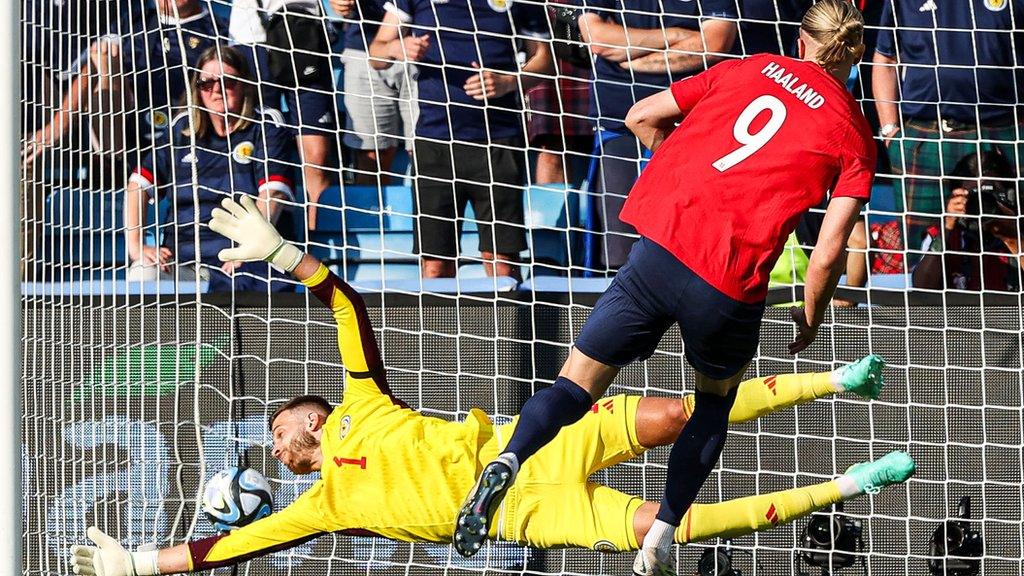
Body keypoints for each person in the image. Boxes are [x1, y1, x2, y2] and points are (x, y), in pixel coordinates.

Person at [68, 197, 915, 576]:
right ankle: (848, 482)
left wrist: (286, 255)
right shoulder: (320, 508)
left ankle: (838, 378)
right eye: (280, 434)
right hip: (523, 511)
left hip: (523, 444)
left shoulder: (361, 402)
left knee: (673, 414)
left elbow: (348, 305)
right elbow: (226, 550)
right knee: (670, 526)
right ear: (291, 463)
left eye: (290, 413)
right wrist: (142, 563)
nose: (284, 426)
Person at [458, 3, 877, 575]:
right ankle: (659, 534)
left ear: (800, 39)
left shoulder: (748, 66)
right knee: (713, 405)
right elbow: (828, 251)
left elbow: (641, 115)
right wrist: (812, 314)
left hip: (658, 253)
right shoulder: (854, 130)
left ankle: (509, 456)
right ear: (853, 53)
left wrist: (681, 164)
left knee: (574, 385)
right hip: (727, 283)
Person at [367, 0, 553, 278]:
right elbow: (376, 53)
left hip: (498, 142)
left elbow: (546, 61)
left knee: (501, 262)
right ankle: (437, 323)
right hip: (435, 143)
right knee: (435, 265)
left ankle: (504, 322)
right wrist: (398, 47)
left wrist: (507, 82)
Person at [578, 0, 738, 269]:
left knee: (685, 246)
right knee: (619, 248)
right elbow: (599, 39)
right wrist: (674, 35)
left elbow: (715, 43)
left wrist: (633, 53)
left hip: (691, 124)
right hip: (618, 125)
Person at [124, 46, 296, 293]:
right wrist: (137, 246)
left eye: (227, 82)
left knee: (247, 285)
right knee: (144, 274)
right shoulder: (181, 130)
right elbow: (137, 186)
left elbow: (273, 195)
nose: (216, 90)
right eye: (206, 83)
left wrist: (247, 248)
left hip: (244, 259)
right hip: (182, 260)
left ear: (244, 85)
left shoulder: (265, 126)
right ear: (197, 88)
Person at [872, 0, 1024, 253]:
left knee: (1015, 238)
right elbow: (886, 59)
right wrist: (890, 131)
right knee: (922, 248)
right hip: (927, 136)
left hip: (1006, 132)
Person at [23, 0, 226, 166]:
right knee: (103, 58)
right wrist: (59, 125)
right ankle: (113, 160)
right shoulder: (134, 21)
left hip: (191, 136)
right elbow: (90, 68)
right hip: (128, 136)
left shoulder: (218, 30)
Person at [229, 0, 340, 230]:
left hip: (305, 30)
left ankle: (317, 238)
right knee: (256, 145)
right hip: (250, 37)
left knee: (317, 155)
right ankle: (259, 231)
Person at [329, 0, 418, 186]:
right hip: (363, 49)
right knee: (372, 155)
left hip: (429, 52)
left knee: (428, 152)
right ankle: (372, 214)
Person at [912, 150, 1022, 292]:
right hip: (960, 313)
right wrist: (947, 227)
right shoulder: (944, 233)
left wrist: (1012, 237)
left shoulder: (1019, 227)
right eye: (974, 196)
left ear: (1009, 194)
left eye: (989, 194)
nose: (981, 204)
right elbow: (923, 288)